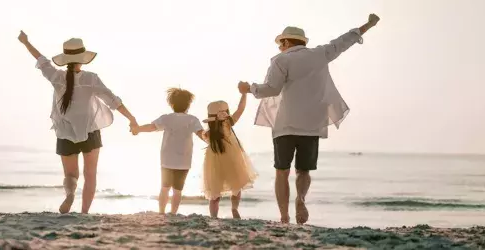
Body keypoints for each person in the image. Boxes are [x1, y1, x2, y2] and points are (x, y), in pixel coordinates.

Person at [238, 14, 381, 225]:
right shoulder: (320, 54)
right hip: (312, 125)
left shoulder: (280, 60)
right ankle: (301, 199)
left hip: (285, 125)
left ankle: (284, 216)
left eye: (280, 44)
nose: (279, 48)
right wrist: (368, 25)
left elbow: (272, 89)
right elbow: (344, 41)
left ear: (286, 42)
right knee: (303, 170)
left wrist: (249, 88)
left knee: (282, 171)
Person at [18, 31, 139, 214]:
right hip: (90, 131)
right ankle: (84, 213)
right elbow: (113, 101)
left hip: (65, 132)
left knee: (70, 175)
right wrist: (131, 119)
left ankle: (70, 194)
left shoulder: (56, 77)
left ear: (66, 59)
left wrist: (26, 42)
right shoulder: (91, 79)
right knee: (90, 175)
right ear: (83, 59)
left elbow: (41, 59)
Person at [131, 88, 205, 215]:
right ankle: (173, 213)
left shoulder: (166, 118)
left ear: (172, 104)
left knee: (164, 188)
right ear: (188, 105)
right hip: (184, 161)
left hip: (167, 160)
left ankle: (161, 212)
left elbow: (151, 127)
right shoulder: (193, 120)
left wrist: (138, 129)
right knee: (178, 190)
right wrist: (214, 141)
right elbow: (202, 135)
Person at [201, 84, 257, 218]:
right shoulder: (228, 123)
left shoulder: (208, 133)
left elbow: (203, 136)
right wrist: (244, 94)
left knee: (214, 192)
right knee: (236, 185)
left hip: (214, 163)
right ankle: (234, 208)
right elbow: (240, 109)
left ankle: (214, 216)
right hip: (232, 159)